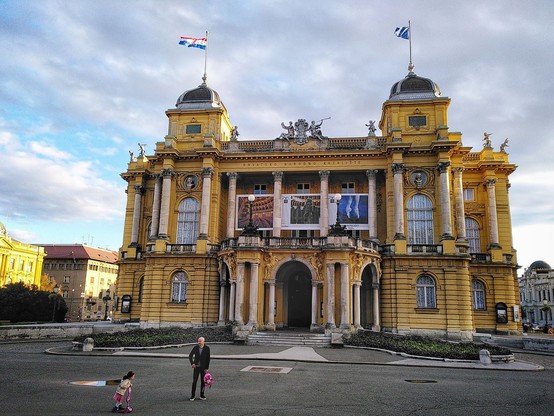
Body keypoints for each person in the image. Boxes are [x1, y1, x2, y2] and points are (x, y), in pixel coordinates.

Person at [189, 337, 211, 401]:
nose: (199, 342)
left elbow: (208, 359)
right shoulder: (195, 348)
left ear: (204, 342)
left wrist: (207, 368)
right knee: (194, 381)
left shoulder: (207, 348)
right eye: (198, 341)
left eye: (200, 341)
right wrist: (192, 363)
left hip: (203, 367)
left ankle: (202, 394)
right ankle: (192, 395)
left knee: (203, 382)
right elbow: (190, 355)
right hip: (196, 367)